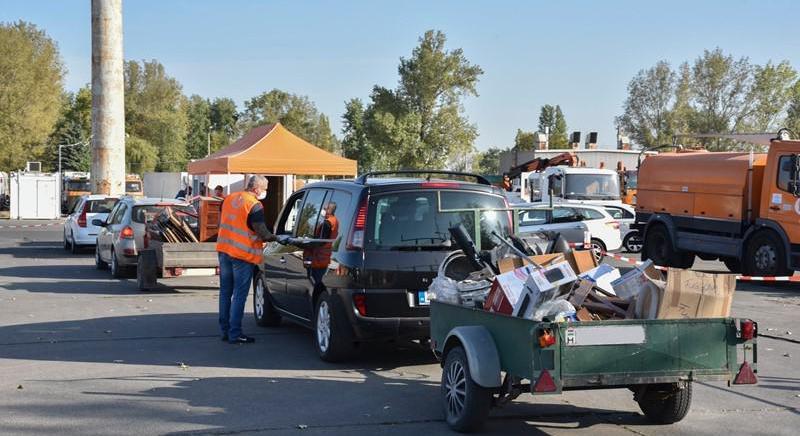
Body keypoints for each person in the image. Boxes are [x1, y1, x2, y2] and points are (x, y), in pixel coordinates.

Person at [216, 175, 282, 344]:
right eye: (265, 189)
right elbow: (262, 232)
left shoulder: (229, 199)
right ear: (256, 189)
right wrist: (277, 238)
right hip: (242, 255)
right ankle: (235, 333)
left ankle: (224, 331)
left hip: (224, 250)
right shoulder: (254, 205)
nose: (265, 192)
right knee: (239, 295)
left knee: (225, 292)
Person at [304, 202, 339, 286]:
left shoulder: (327, 223)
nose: (322, 210)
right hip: (325, 257)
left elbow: (321, 241)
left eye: (324, 208)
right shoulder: (335, 221)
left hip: (318, 258)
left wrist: (306, 243)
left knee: (315, 284)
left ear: (329, 210)